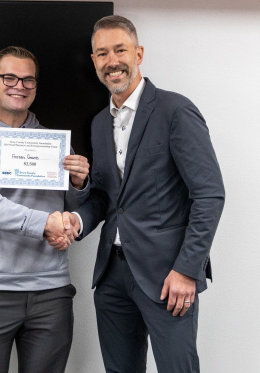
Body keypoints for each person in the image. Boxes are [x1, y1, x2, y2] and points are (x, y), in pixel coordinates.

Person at [59, 15, 225, 372]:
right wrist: (76, 218)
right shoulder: (99, 122)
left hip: (168, 277)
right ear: (94, 61)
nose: (112, 61)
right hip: (111, 278)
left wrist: (186, 269)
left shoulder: (175, 110)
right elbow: (106, 198)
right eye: (102, 53)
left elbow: (209, 195)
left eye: (120, 49)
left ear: (139, 53)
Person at [0, 46, 90, 373]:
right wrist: (44, 224)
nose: (19, 86)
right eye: (9, 77)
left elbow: (70, 210)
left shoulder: (55, 143)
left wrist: (80, 184)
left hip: (51, 291)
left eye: (28, 80)